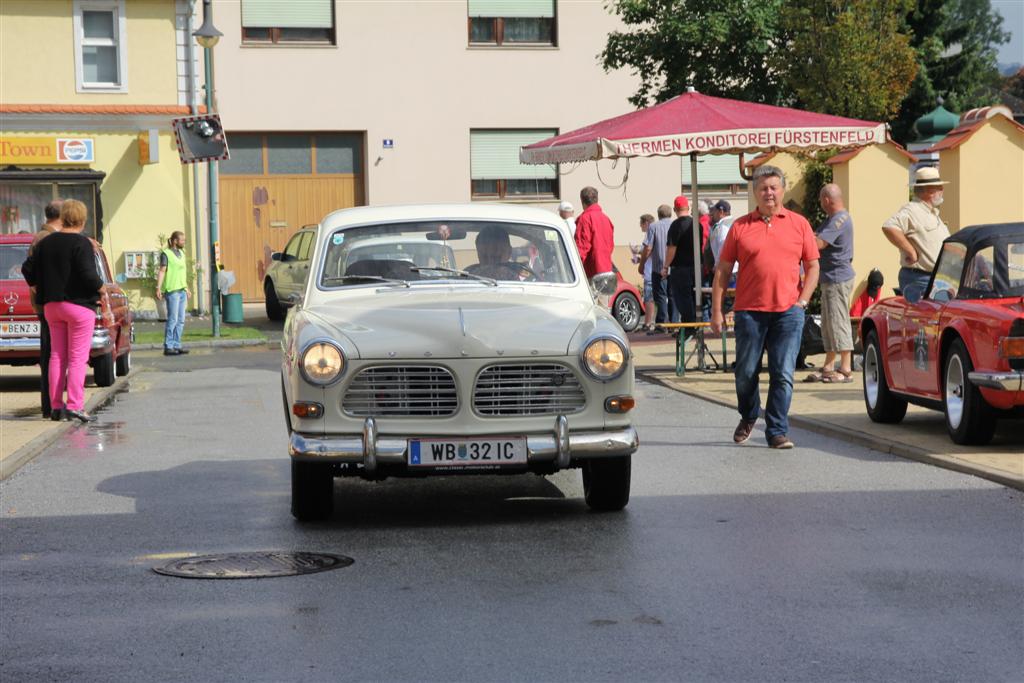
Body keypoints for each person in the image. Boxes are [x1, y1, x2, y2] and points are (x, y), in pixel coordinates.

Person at [710, 165, 820, 450]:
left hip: (788, 312)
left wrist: (802, 301)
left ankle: (776, 430)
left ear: (782, 190)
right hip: (750, 311)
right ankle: (748, 415)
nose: (768, 193)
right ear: (755, 192)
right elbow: (722, 270)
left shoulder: (799, 224)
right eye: (763, 188)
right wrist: (717, 311)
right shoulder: (740, 227)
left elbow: (813, 266)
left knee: (783, 373)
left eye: (773, 187)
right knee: (745, 372)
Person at [21, 199, 104, 423]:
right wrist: (102, 287)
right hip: (78, 307)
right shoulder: (81, 243)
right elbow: (88, 275)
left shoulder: (46, 242)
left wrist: (40, 287)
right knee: (77, 358)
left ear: (63, 217)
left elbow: (27, 269)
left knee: (57, 357)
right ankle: (76, 405)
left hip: (51, 306)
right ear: (82, 219)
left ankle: (56, 406)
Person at [807, 184, 855, 384]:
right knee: (827, 323)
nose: (820, 203)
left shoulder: (840, 220)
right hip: (830, 277)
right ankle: (829, 365)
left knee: (838, 321)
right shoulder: (832, 219)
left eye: (821, 200)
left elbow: (818, 244)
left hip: (838, 277)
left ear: (827, 199)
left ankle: (845, 368)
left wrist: (802, 234)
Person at [881, 166, 950, 303]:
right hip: (920, 279)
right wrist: (911, 251)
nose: (942, 191)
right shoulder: (913, 210)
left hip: (933, 279)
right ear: (929, 191)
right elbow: (889, 226)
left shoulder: (931, 213)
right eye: (939, 188)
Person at [25, 199, 63, 418]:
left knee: (51, 354)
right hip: (47, 304)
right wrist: (42, 290)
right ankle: (50, 405)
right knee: (51, 354)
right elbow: (29, 270)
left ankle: (50, 404)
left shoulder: (43, 237)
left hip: (45, 303)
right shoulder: (46, 239)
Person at [574, 186, 615, 302]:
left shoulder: (584, 219)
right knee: (603, 312)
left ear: (582, 201)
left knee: (590, 311)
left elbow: (581, 248)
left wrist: (574, 268)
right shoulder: (606, 219)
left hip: (592, 272)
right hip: (606, 270)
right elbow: (610, 246)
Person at [663, 195, 699, 323]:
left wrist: (665, 266)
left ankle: (689, 325)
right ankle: (694, 322)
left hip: (680, 268)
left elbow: (671, 249)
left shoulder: (675, 226)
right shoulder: (696, 224)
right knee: (694, 296)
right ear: (688, 208)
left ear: (675, 209)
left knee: (682, 298)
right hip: (696, 267)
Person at [155, 231, 190, 356]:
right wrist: (158, 287)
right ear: (175, 241)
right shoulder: (166, 254)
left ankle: (177, 344)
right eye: (182, 240)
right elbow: (162, 271)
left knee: (181, 320)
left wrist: (186, 288)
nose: (183, 242)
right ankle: (168, 346)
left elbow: (182, 273)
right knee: (173, 319)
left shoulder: (182, 253)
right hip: (172, 291)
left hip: (181, 291)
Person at [638, 204, 674, 325]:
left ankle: (661, 323)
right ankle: (674, 323)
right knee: (672, 295)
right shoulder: (675, 225)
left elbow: (648, 248)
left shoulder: (653, 227)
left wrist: (641, 264)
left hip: (658, 267)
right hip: (673, 267)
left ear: (658, 214)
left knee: (661, 296)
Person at [637, 214, 656, 332]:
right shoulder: (658, 230)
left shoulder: (650, 232)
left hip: (650, 271)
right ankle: (650, 322)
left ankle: (648, 323)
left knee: (649, 298)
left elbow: (648, 249)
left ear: (646, 223)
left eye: (641, 224)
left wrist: (641, 264)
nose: (640, 226)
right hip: (655, 269)